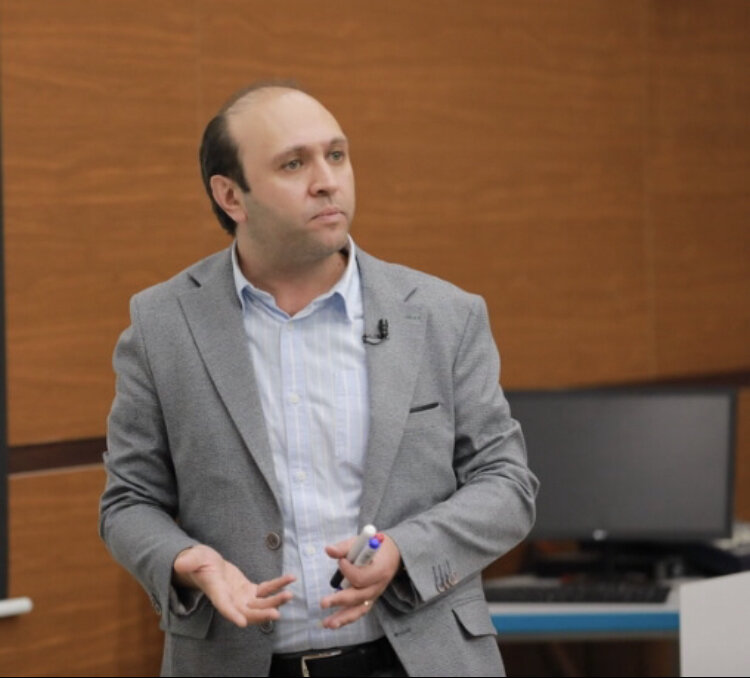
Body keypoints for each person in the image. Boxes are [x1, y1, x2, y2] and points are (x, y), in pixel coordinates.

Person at [99, 81, 538, 677]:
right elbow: (128, 502)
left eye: (336, 155)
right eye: (293, 164)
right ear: (230, 196)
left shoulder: (442, 315)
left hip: (418, 659)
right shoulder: (163, 325)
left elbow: (507, 486)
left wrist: (404, 550)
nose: (327, 180)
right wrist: (187, 560)